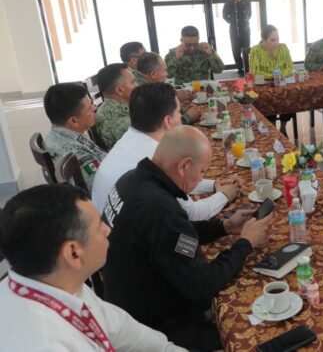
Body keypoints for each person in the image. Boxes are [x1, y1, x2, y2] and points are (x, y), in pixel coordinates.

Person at [102, 126, 271, 351]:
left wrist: (225, 226)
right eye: (202, 171)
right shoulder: (158, 209)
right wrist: (245, 243)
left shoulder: (132, 180)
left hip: (126, 304)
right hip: (154, 328)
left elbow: (178, 236)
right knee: (259, 332)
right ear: (183, 166)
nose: (203, 178)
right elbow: (203, 284)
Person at [0, 184, 186, 351]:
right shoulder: (46, 344)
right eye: (98, 226)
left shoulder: (59, 281)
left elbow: (122, 329)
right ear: (73, 253)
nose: (107, 229)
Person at [92, 83, 238, 221]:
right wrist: (224, 195)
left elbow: (177, 182)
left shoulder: (131, 138)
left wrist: (213, 185)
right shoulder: (155, 159)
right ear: (168, 121)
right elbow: (191, 214)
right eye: (179, 113)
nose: (181, 118)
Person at [43, 83, 106, 191]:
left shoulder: (56, 134)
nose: (95, 107)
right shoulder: (77, 155)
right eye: (90, 107)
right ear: (74, 121)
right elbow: (101, 188)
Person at [249, 24, 295, 134]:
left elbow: (290, 67)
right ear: (263, 41)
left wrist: (279, 75)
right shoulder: (255, 51)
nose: (276, 43)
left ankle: (283, 127)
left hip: (282, 84)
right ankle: (272, 127)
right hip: (265, 85)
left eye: (277, 39)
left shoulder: (283, 48)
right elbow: (254, 71)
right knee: (266, 98)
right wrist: (272, 75)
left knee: (290, 96)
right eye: (272, 40)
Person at [137, 52, 201, 125]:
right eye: (164, 70)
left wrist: (177, 109)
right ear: (153, 74)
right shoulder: (144, 91)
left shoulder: (145, 85)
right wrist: (187, 118)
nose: (167, 74)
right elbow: (158, 127)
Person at [94, 63, 138, 150]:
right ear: (119, 90)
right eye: (133, 82)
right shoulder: (118, 121)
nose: (137, 85)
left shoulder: (123, 106)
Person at [222, 0, 251, 77]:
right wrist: (232, 22)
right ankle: (240, 68)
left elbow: (249, 14)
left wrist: (244, 22)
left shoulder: (247, 2)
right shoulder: (229, 3)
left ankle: (247, 68)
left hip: (245, 30)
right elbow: (224, 15)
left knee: (246, 49)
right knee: (236, 50)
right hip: (234, 30)